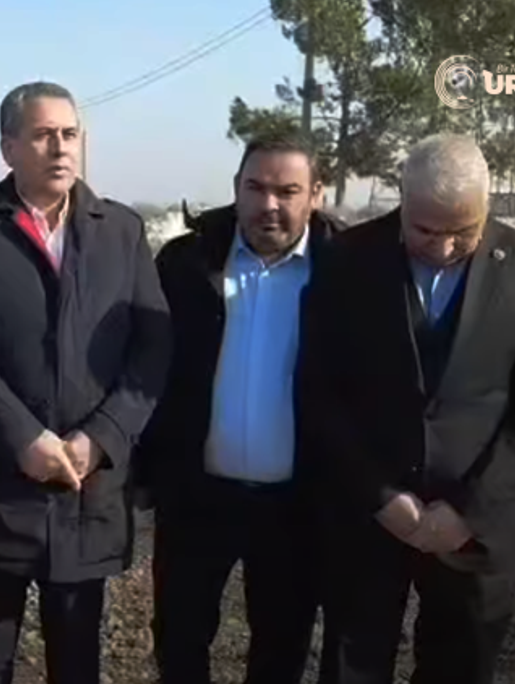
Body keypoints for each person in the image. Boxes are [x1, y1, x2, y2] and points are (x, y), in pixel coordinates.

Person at [0, 81, 172, 684]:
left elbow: (153, 345)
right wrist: (21, 437)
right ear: (8, 148)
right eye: (42, 135)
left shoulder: (119, 230)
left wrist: (102, 437)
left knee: (76, 656)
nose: (60, 147)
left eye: (69, 134)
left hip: (85, 487)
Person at [296, 133, 515, 684]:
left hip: (475, 525)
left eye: (462, 232)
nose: (443, 248)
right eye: (424, 231)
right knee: (352, 663)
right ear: (402, 200)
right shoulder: (346, 259)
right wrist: (379, 496)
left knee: (461, 665)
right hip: (369, 516)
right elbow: (319, 392)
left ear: (486, 207)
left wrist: (467, 508)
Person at [137, 135, 343, 684]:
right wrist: (146, 470)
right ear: (236, 188)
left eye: (287, 191)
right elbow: (148, 366)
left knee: (281, 647)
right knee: (179, 638)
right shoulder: (186, 262)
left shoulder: (344, 272)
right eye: (255, 187)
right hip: (196, 496)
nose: (268, 205)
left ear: (316, 195)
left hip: (295, 504)